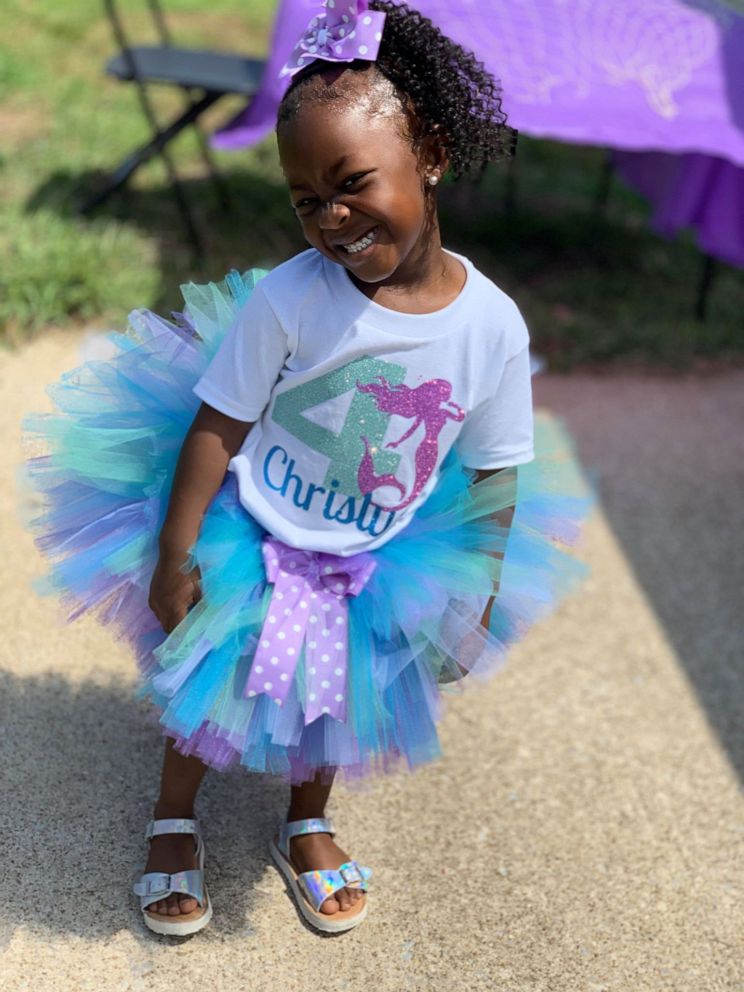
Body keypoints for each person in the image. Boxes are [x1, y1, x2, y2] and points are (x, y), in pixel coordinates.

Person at [24, 0, 588, 937]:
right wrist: (175, 550)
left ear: (434, 152)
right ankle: (176, 816)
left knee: (338, 692)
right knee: (210, 675)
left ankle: (307, 820)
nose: (330, 219)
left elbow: (495, 474)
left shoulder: (491, 324)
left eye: (353, 182)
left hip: (383, 548)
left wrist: (473, 601)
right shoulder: (292, 299)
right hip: (257, 524)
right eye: (305, 199)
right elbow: (218, 422)